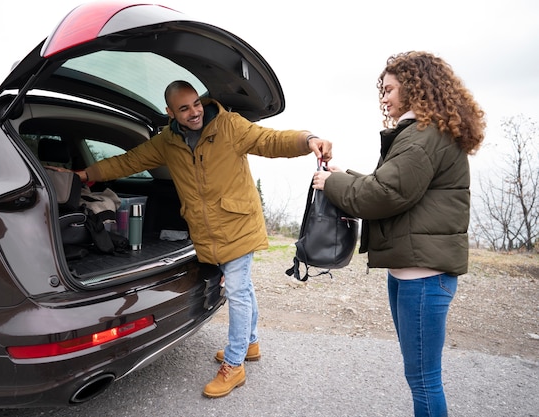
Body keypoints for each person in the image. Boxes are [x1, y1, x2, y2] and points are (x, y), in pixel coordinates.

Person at [67, 80, 332, 398]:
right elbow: (129, 161)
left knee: (236, 290)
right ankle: (250, 344)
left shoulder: (230, 125)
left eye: (195, 103)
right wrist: (85, 175)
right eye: (184, 108)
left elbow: (271, 141)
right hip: (207, 230)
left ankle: (234, 365)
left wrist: (308, 140)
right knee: (242, 287)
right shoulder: (167, 141)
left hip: (238, 224)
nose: (193, 112)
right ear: (170, 112)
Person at [312, 51, 485, 417]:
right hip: (413, 272)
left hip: (422, 276)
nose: (384, 97)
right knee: (420, 375)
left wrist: (332, 183)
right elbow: (392, 188)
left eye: (390, 89)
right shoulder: (424, 132)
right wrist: (343, 176)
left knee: (424, 379)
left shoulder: (423, 135)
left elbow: (386, 195)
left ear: (414, 88)